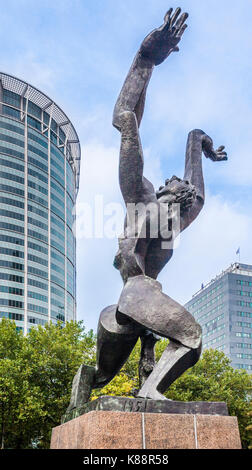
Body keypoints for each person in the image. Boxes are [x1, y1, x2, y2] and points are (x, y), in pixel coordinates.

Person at [69, 8, 228, 406]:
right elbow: (126, 121)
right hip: (136, 294)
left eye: (186, 189)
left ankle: (89, 390)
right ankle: (150, 390)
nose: (185, 189)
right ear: (163, 188)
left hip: (135, 304)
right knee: (190, 338)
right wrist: (145, 60)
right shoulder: (142, 199)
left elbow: (199, 193)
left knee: (102, 375)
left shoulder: (174, 220)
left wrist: (200, 143)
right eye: (178, 184)